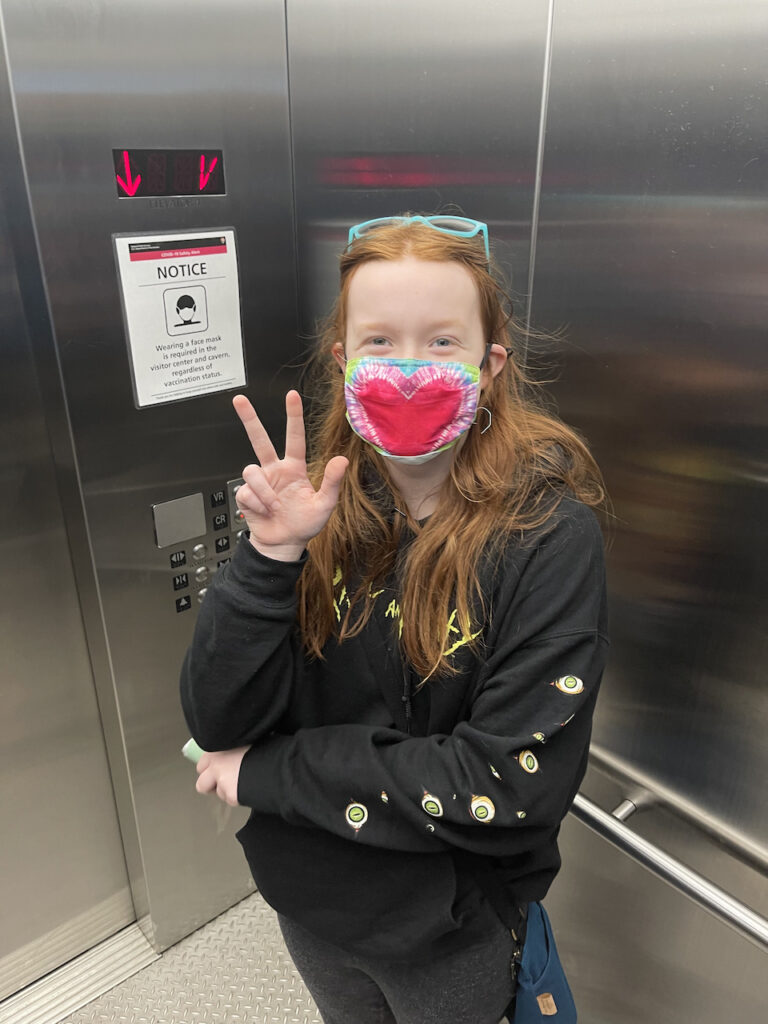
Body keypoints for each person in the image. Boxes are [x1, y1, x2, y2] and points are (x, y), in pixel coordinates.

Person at [180, 214, 608, 1024]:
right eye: (379, 342)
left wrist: (271, 775)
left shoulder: (547, 535)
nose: (408, 369)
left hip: (446, 930)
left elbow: (502, 786)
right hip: (307, 900)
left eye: (442, 342)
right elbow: (218, 719)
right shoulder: (311, 502)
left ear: (491, 363)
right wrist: (268, 560)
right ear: (344, 359)